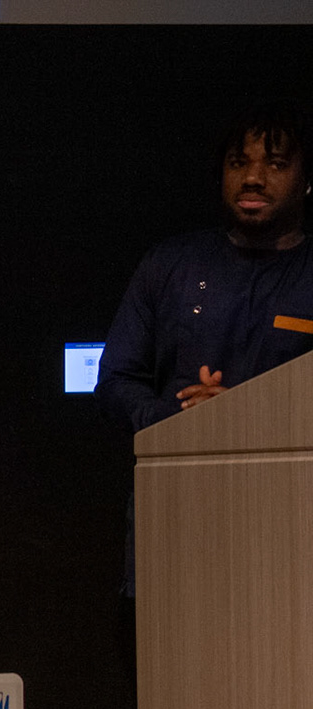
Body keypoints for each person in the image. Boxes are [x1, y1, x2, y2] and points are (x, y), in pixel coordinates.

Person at [97, 102, 313, 597]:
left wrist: (242, 418)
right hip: (175, 512)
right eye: (238, 163)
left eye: (276, 164)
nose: (253, 178)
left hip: (290, 522)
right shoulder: (170, 263)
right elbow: (115, 381)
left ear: (305, 181)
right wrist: (181, 419)